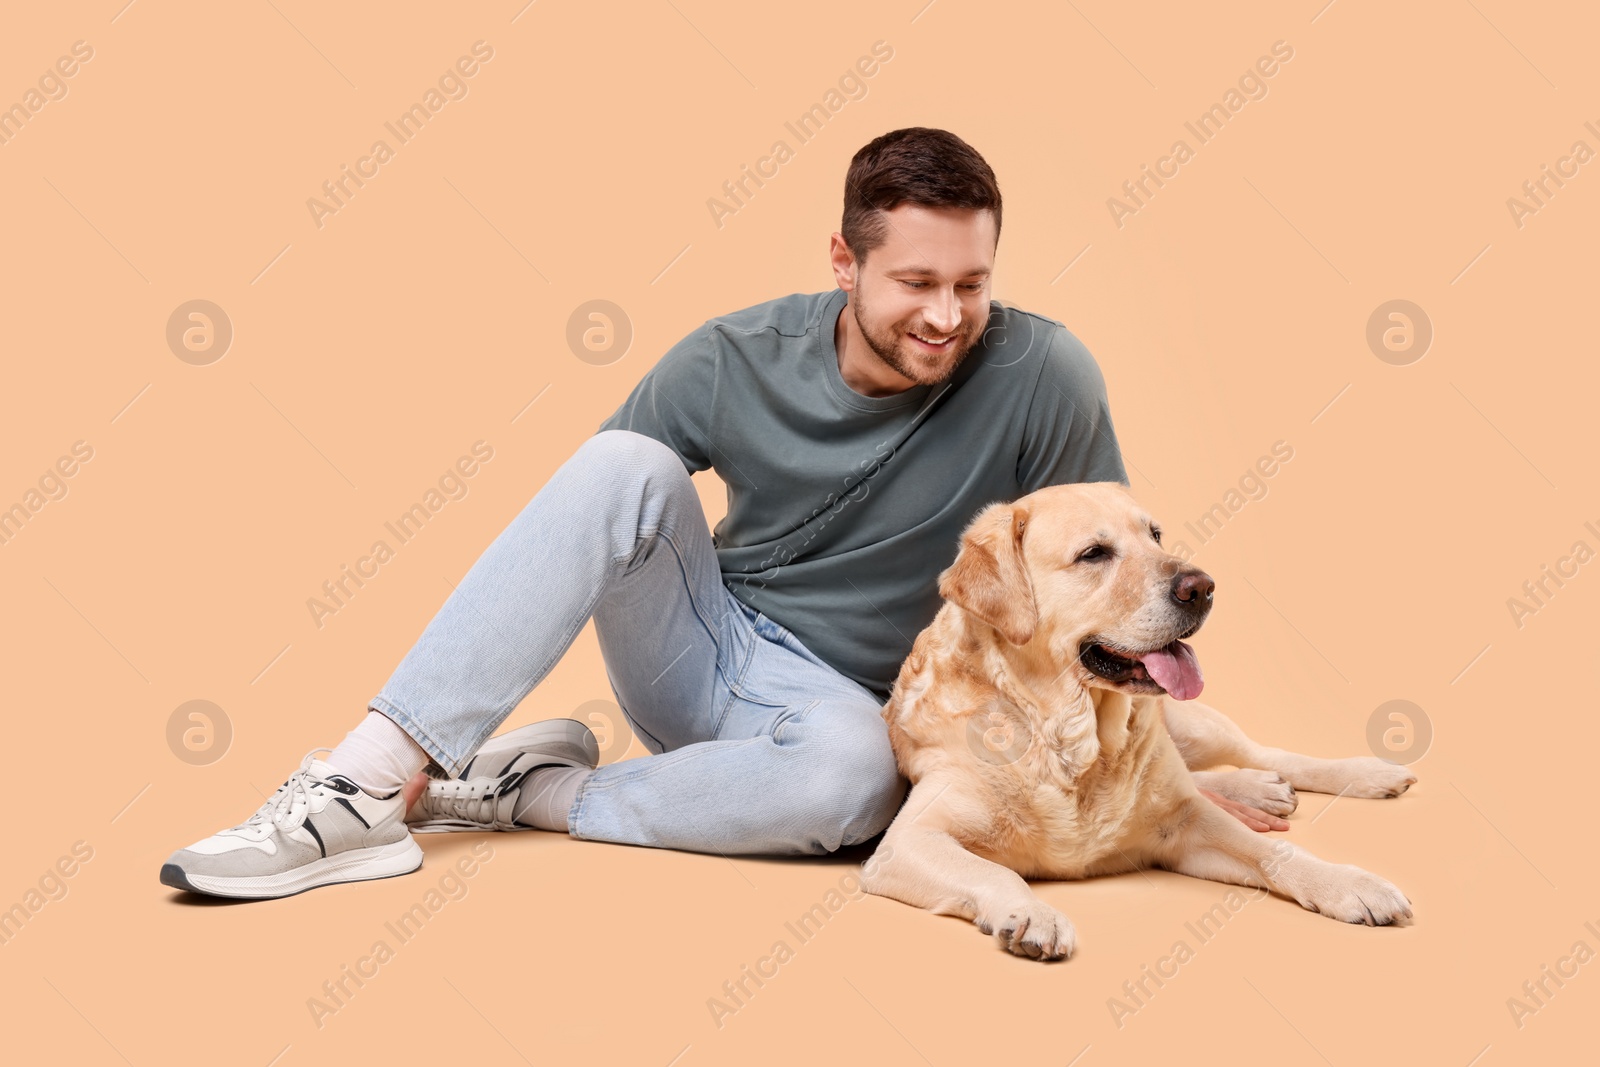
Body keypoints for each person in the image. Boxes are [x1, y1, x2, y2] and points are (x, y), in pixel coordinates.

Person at [160, 126, 1279, 901]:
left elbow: (1103, 599)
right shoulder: (732, 357)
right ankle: (362, 780)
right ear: (844, 261)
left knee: (856, 779)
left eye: (972, 284)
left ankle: (524, 790)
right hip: (713, 658)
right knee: (623, 467)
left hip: (871, 724)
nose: (947, 315)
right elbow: (594, 526)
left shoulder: (1046, 374)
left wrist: (1167, 784)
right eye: (915, 282)